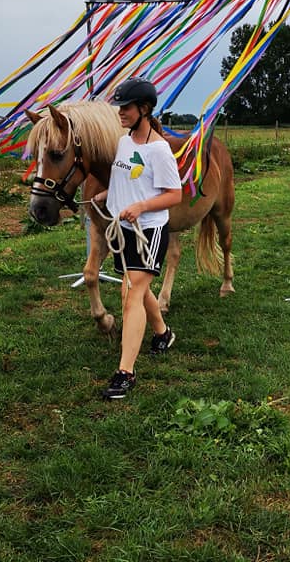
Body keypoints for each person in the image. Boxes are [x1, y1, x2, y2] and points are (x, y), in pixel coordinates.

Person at [91, 76, 182, 400]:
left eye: (126, 107)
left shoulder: (159, 150)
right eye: (119, 107)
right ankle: (162, 332)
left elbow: (175, 195)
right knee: (138, 288)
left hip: (150, 231)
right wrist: (107, 193)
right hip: (123, 229)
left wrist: (142, 205)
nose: (120, 112)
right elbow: (125, 176)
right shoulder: (124, 141)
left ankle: (125, 372)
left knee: (131, 293)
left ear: (144, 109)